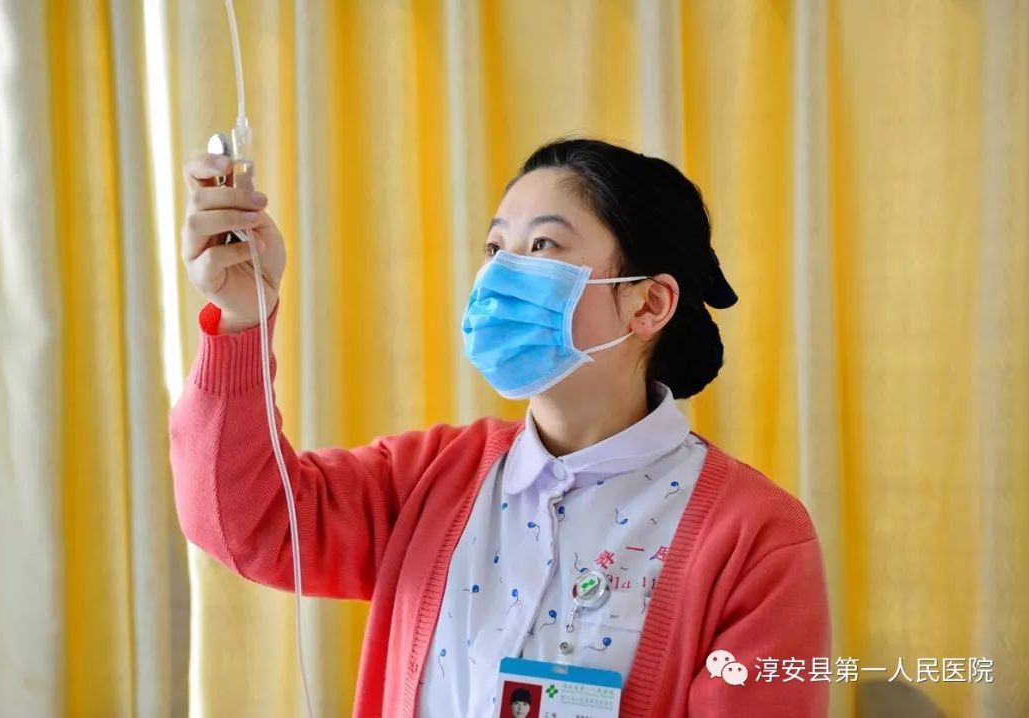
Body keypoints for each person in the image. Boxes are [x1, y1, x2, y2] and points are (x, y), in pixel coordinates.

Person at [170, 137, 831, 717]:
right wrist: (241, 316)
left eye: (542, 245)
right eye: (495, 247)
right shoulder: (428, 480)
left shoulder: (755, 537)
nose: (499, 274)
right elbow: (247, 522)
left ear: (648, 303)